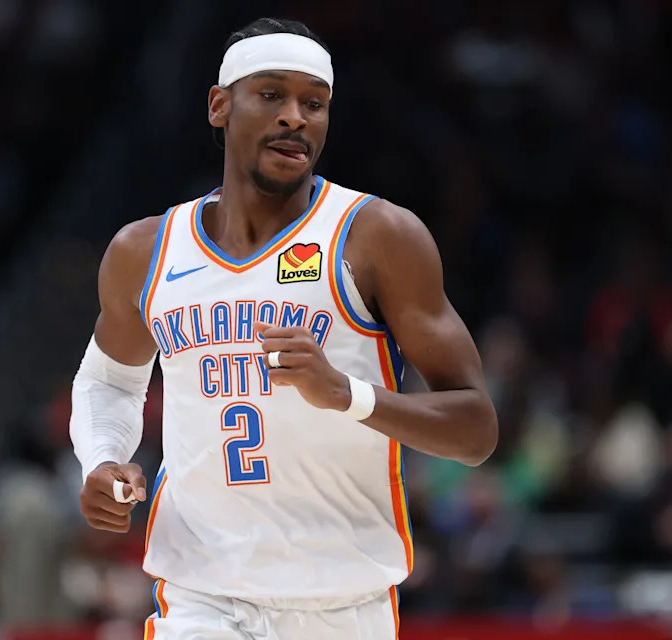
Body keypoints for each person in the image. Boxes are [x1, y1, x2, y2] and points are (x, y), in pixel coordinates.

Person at [70, 17, 498, 640]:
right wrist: (104, 459)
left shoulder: (377, 237)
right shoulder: (146, 251)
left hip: (343, 603)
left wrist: (344, 393)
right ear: (220, 105)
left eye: (314, 103)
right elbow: (110, 381)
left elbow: (475, 429)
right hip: (203, 597)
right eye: (272, 95)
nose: (296, 117)